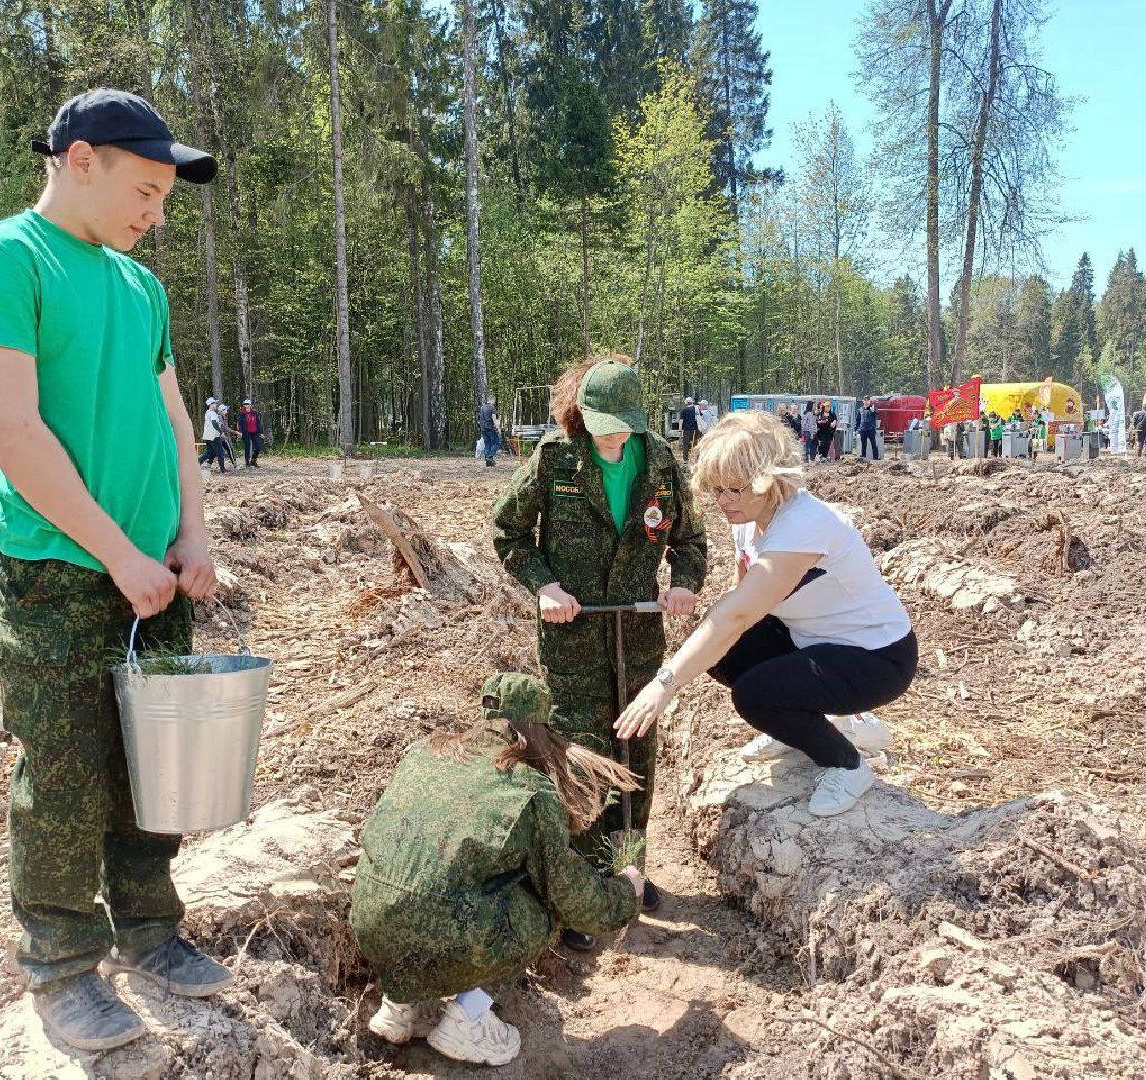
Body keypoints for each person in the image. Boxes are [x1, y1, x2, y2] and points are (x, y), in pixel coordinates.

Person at [0, 88, 224, 1051]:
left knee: (155, 764)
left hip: (156, 572)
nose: (155, 216)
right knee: (63, 777)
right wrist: (118, 553)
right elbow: (12, 431)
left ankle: (151, 931)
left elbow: (174, 418)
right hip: (58, 573)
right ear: (80, 159)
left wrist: (192, 534)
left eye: (165, 199)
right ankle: (60, 969)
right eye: (145, 192)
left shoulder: (140, 289)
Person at [492, 355, 707, 950]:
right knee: (581, 756)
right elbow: (509, 532)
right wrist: (545, 586)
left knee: (637, 754)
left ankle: (629, 868)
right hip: (574, 636)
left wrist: (684, 583)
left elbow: (690, 540)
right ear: (580, 415)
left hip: (637, 635)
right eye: (602, 426)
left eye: (622, 427)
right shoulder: (554, 460)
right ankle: (583, 889)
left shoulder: (661, 463)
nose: (613, 438)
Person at [613, 410, 916, 818]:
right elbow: (744, 600)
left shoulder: (803, 525)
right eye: (717, 489)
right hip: (812, 640)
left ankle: (847, 765)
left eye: (735, 489)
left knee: (756, 695)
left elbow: (737, 616)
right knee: (726, 652)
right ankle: (805, 725)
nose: (723, 501)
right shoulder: (749, 517)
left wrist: (664, 684)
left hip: (876, 656)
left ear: (770, 480)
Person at [351, 673, 644, 1067]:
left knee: (423, 888)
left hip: (370, 925)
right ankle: (467, 1018)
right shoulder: (529, 788)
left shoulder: (423, 753)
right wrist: (625, 890)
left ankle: (400, 1004)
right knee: (543, 906)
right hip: (445, 937)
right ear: (539, 730)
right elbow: (572, 896)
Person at [199, 396, 228, 473]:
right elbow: (214, 423)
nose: (216, 404)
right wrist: (221, 432)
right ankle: (223, 470)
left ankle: (197, 463)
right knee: (220, 453)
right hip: (214, 436)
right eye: (215, 403)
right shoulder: (212, 413)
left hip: (207, 436)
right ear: (211, 405)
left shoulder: (207, 412)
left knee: (209, 453)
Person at [238, 399, 263, 467]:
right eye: (245, 404)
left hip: (255, 432)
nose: (247, 406)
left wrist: (261, 432)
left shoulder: (254, 412)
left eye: (248, 404)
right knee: (247, 447)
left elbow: (258, 422)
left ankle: (253, 461)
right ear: (244, 405)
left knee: (258, 447)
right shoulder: (242, 413)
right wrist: (240, 431)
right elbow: (240, 423)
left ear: (250, 405)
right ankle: (247, 463)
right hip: (246, 432)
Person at [478, 394, 501, 468]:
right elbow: (494, 419)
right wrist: (498, 429)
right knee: (497, 442)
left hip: (483, 429)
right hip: (490, 428)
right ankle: (489, 456)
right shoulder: (492, 407)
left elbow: (480, 419)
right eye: (494, 401)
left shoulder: (482, 407)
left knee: (487, 444)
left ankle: (488, 462)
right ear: (492, 400)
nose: (494, 402)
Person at [678, 396, 699, 463]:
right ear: (692, 402)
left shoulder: (683, 410)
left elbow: (681, 421)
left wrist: (680, 430)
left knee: (685, 445)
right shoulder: (696, 409)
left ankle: (685, 459)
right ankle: (696, 459)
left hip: (687, 430)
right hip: (695, 430)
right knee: (696, 445)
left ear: (686, 403)